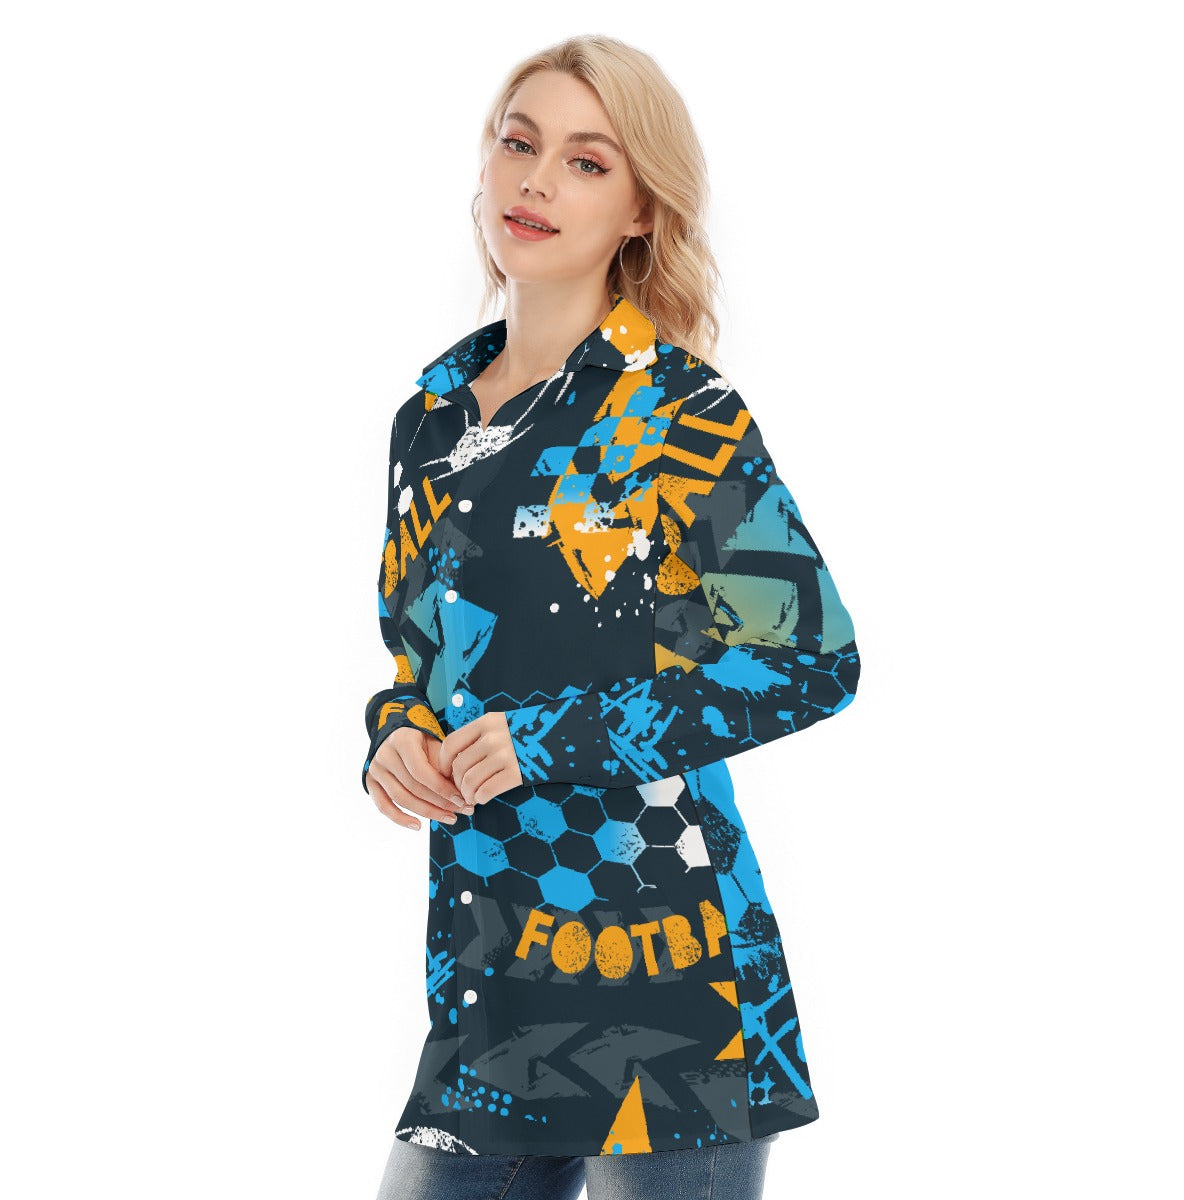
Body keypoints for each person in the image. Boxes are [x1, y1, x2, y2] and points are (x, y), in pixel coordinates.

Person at [360, 34, 862, 1200]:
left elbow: (813, 662)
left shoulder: (681, 416)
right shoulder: (430, 420)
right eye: (519, 144)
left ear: (641, 210)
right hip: (490, 983)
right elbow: (420, 659)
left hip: (673, 993)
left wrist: (545, 739)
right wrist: (393, 734)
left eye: (587, 163)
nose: (536, 182)